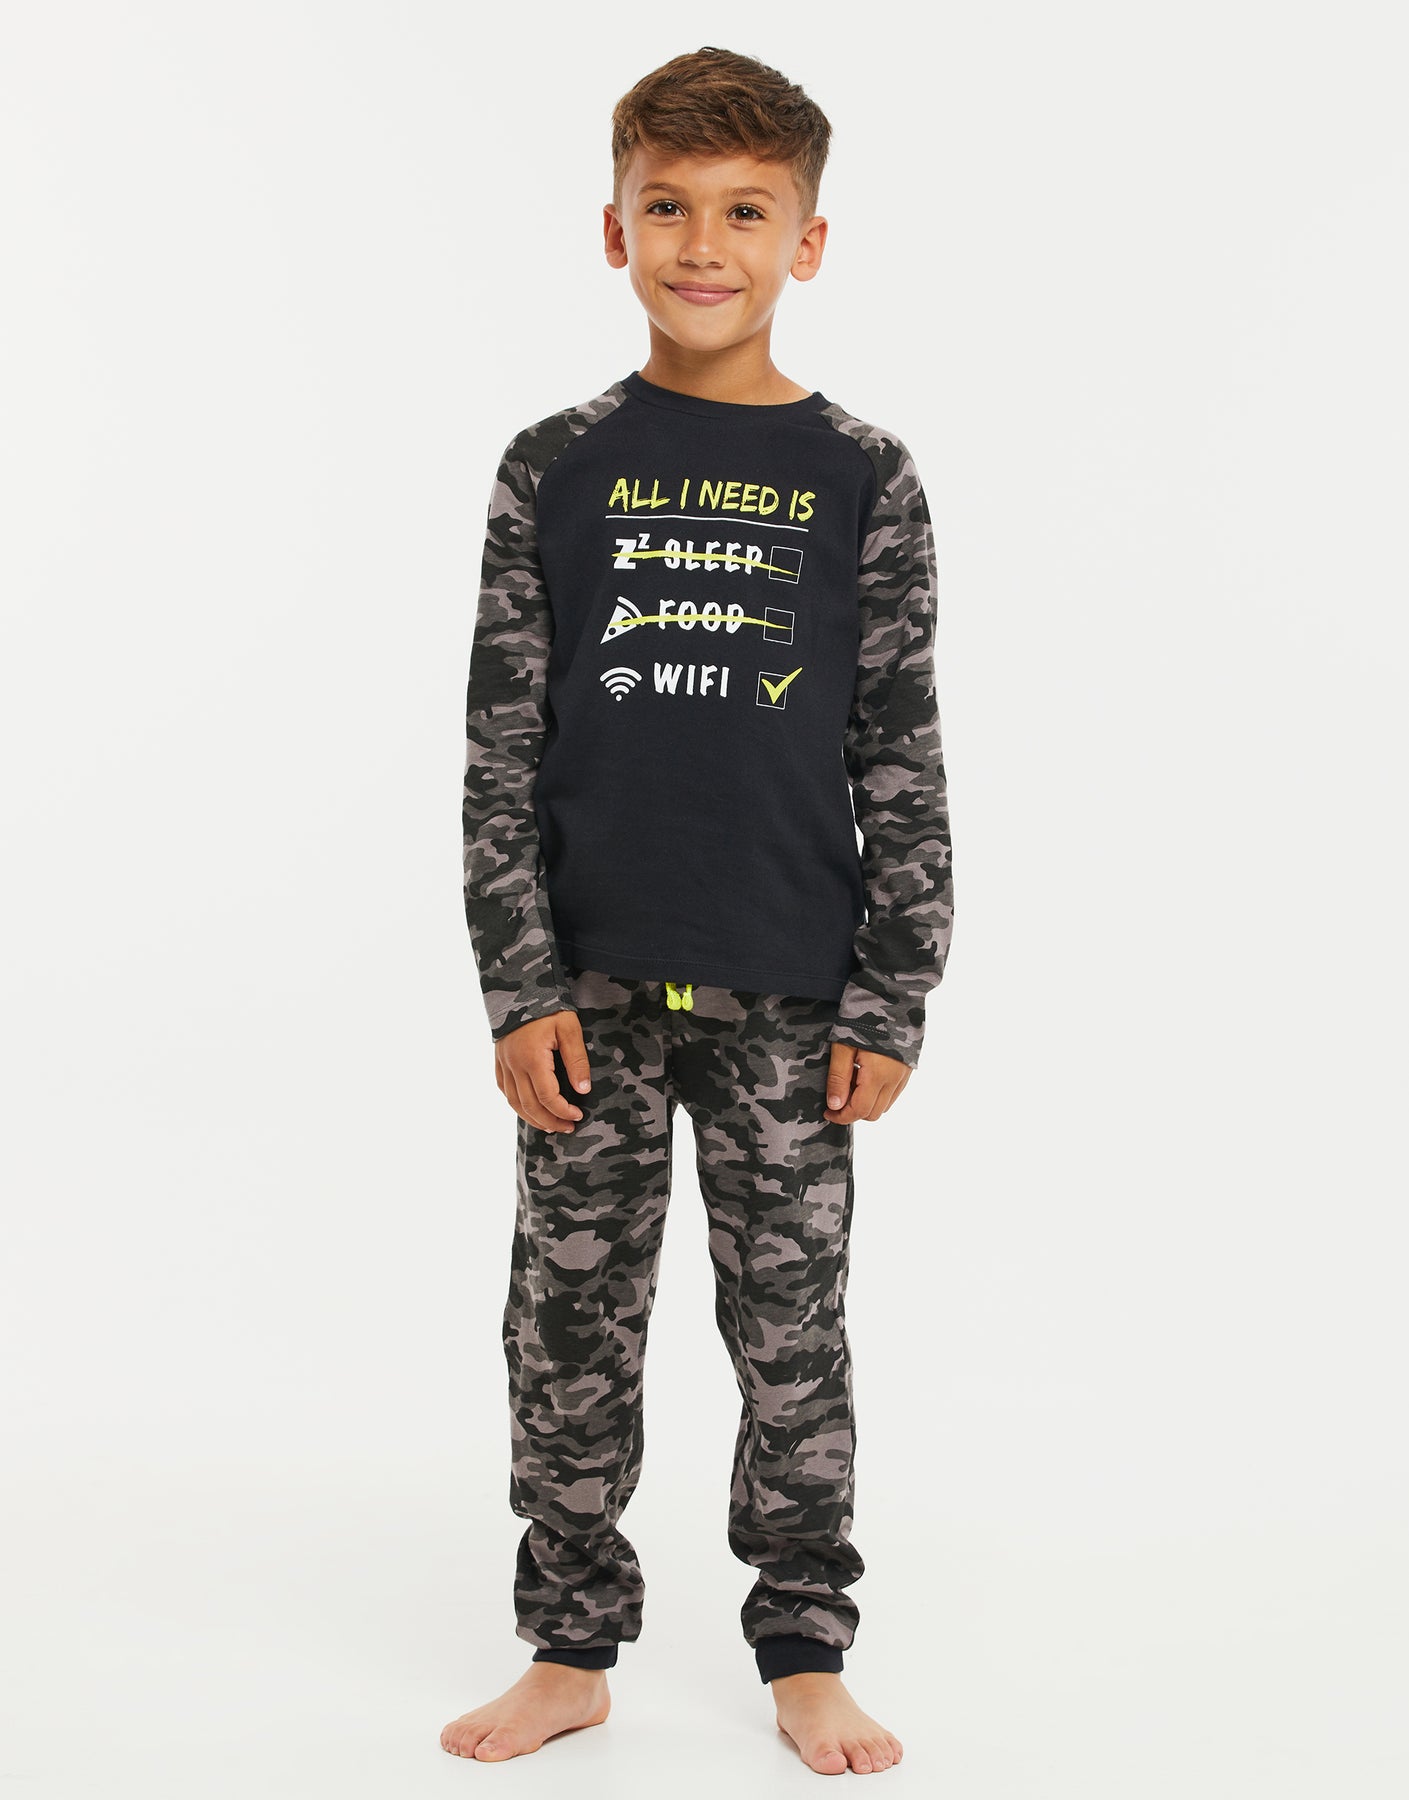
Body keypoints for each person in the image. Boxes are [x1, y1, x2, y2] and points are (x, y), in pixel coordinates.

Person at [444, 44, 954, 1776]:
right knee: (566, 1327)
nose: (701, 244)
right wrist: (519, 983)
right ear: (614, 230)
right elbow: (501, 747)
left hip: (793, 990)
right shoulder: (553, 465)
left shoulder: (865, 475)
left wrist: (891, 993)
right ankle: (568, 1643)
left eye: (744, 212)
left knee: (789, 1332)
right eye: (666, 207)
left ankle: (803, 1644)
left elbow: (899, 750)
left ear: (806, 243)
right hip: (587, 987)